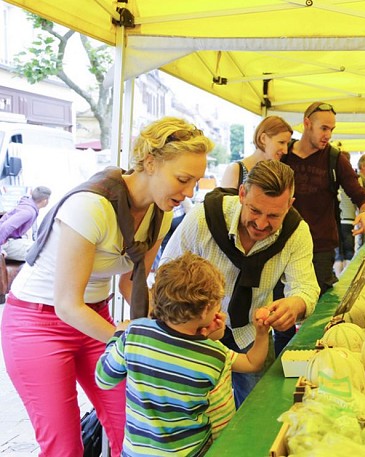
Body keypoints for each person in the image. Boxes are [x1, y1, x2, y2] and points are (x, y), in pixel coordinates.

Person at [0, 116, 212, 457]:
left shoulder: (163, 213)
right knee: (65, 448)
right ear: (150, 162)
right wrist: (136, 338)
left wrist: (183, 325)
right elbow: (68, 304)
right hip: (38, 323)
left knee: (133, 429)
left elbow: (133, 285)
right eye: (183, 179)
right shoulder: (92, 205)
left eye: (195, 183)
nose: (188, 193)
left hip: (94, 317)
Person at [161, 159, 320, 406]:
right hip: (196, 337)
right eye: (255, 210)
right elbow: (166, 275)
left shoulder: (297, 232)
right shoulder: (204, 217)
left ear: (289, 205)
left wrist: (295, 305)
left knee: (255, 411)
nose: (261, 224)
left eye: (274, 215)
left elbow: (306, 287)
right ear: (242, 193)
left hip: (252, 337)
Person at [95, 252, 272, 456]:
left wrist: (118, 335)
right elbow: (252, 363)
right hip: (192, 451)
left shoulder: (135, 334)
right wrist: (261, 333)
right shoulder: (213, 355)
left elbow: (103, 379)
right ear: (206, 310)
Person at [282, 101, 365, 295]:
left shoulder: (335, 158)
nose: (328, 135)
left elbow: (361, 197)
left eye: (331, 129)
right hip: (282, 246)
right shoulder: (283, 155)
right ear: (307, 123)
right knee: (282, 308)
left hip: (320, 249)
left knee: (318, 308)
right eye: (323, 128)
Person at [221, 115, 293, 188]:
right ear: (263, 138)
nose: (285, 151)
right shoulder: (235, 170)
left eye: (287, 144)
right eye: (281, 142)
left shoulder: (278, 174)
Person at [0, 185, 51, 261]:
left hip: (9, 239)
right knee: (42, 254)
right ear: (45, 200)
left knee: (39, 246)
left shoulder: (27, 204)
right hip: (4, 243)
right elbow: (4, 227)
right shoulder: (28, 212)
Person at [334, 151, 357, 277]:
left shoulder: (332, 176)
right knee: (349, 250)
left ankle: (338, 278)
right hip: (348, 219)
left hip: (335, 220)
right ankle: (347, 278)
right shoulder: (350, 178)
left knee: (338, 252)